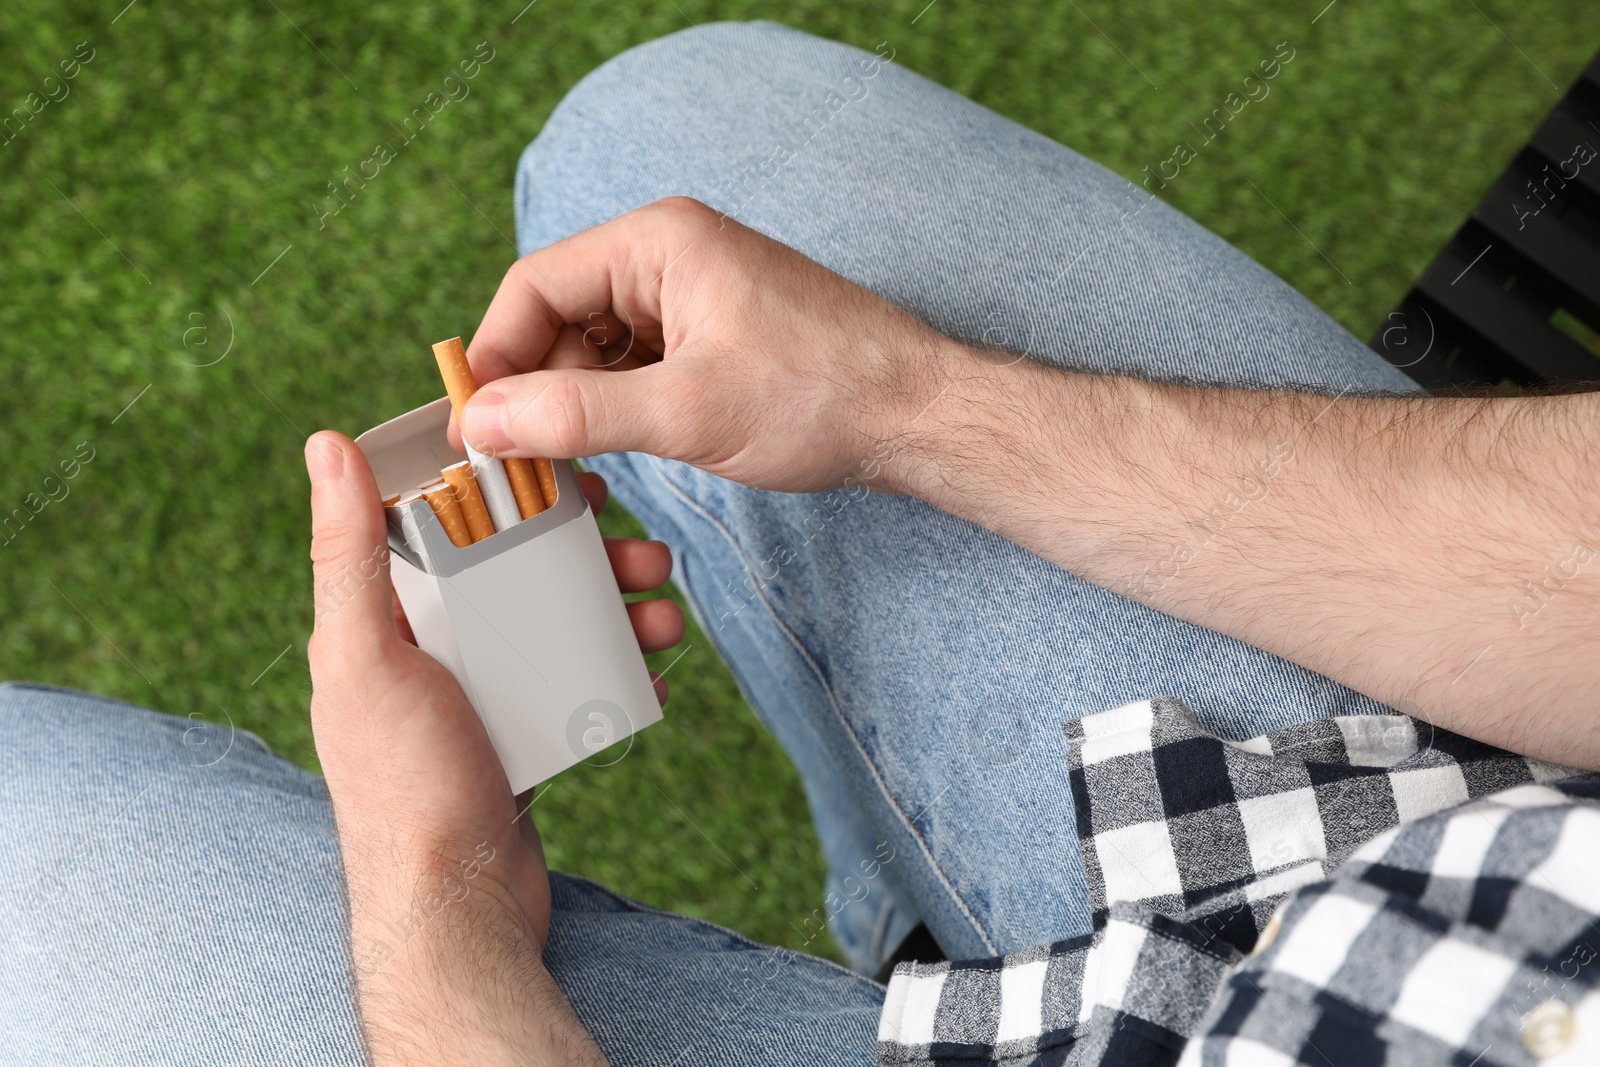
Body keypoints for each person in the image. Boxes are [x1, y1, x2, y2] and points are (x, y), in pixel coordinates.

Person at [3, 20, 1596, 1067]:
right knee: (661, 136)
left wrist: (436, 891)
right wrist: (913, 406)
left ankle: (918, 938)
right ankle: (927, 918)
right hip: (1407, 871)